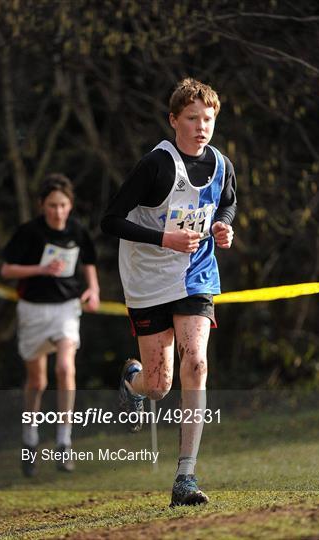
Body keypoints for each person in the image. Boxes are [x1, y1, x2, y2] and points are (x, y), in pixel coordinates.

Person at [101, 78, 236, 506]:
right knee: (159, 384)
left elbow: (227, 202)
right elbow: (110, 220)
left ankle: (185, 477)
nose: (201, 127)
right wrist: (164, 240)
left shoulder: (221, 164)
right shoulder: (155, 166)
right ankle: (132, 381)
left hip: (196, 275)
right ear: (174, 119)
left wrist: (223, 226)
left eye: (208, 119)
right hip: (147, 281)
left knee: (196, 362)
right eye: (192, 118)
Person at [1, 173, 100, 477]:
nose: (58, 212)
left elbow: (88, 261)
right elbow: (6, 270)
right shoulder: (29, 233)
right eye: (52, 205)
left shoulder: (77, 230)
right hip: (33, 311)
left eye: (63, 205)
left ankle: (63, 440)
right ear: (42, 205)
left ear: (70, 206)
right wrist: (40, 269)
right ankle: (30, 439)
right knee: (37, 382)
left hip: (66, 309)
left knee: (65, 369)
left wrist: (93, 289)